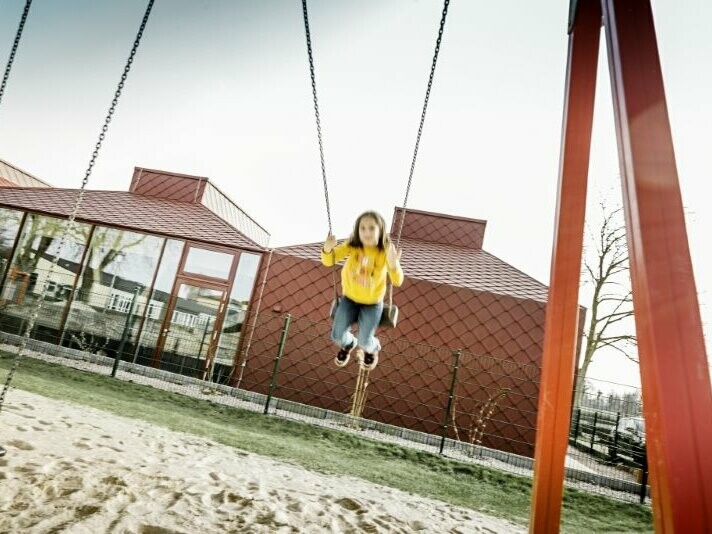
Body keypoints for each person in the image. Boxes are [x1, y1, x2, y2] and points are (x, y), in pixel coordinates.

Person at [321, 211, 404, 370]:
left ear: (381, 230)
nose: (366, 232)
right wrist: (327, 249)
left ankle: (373, 349)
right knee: (337, 335)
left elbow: (397, 281)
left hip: (372, 304)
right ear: (357, 230)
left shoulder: (385, 250)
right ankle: (348, 344)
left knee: (364, 341)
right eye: (363, 228)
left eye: (372, 228)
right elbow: (329, 260)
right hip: (349, 299)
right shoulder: (353, 245)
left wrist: (394, 265)